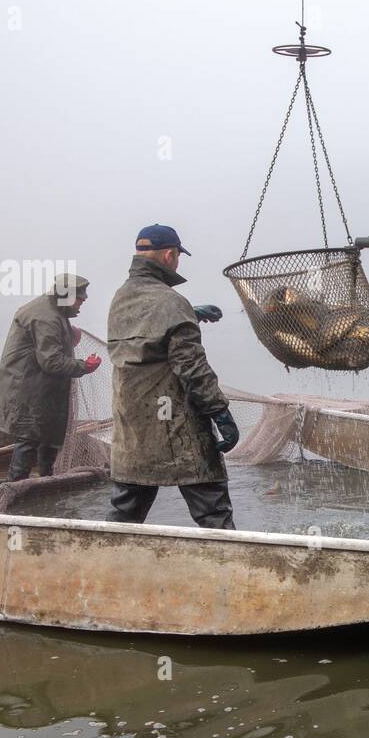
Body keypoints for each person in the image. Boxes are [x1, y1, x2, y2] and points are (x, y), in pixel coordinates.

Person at [106, 224, 239, 529]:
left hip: (132, 427)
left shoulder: (121, 297)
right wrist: (221, 412)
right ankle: (230, 569)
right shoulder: (171, 303)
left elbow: (146, 330)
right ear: (169, 255)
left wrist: (187, 312)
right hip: (176, 425)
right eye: (178, 256)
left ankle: (106, 568)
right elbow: (192, 369)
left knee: (125, 513)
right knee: (213, 511)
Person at [0, 273, 101, 481]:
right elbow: (51, 361)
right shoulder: (46, 317)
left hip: (41, 388)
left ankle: (47, 479)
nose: (82, 302)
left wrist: (68, 337)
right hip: (27, 390)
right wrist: (84, 366)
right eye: (80, 299)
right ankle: (15, 487)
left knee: (50, 434)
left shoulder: (52, 310)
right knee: (29, 438)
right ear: (68, 297)